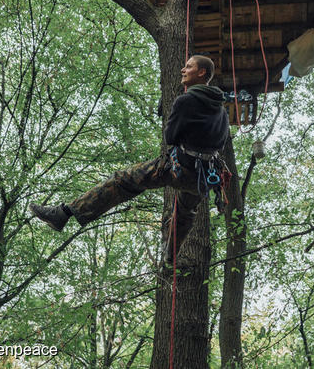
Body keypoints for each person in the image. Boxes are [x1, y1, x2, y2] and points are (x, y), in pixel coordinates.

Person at [29, 55, 230, 264]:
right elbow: (220, 144)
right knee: (185, 211)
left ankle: (63, 213)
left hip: (179, 169)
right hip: (203, 179)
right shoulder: (221, 110)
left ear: (201, 73)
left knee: (122, 180)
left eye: (188, 66)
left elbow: (170, 137)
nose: (182, 70)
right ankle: (170, 258)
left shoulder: (186, 100)